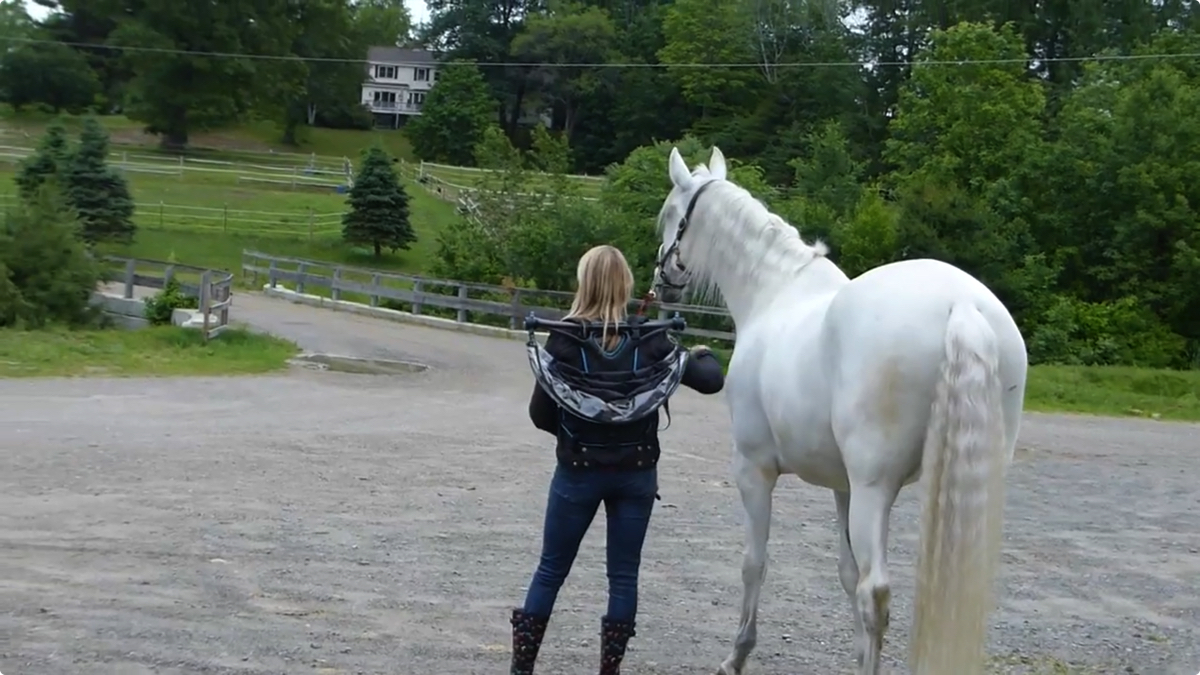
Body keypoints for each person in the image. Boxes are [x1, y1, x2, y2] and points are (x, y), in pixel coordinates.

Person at [509, 245, 725, 675]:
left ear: (584, 283)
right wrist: (699, 352)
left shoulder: (564, 339)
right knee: (623, 577)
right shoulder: (651, 339)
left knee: (550, 571)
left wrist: (582, 433)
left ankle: (521, 670)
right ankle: (610, 670)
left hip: (578, 472)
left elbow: (540, 415)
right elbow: (712, 380)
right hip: (636, 474)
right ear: (626, 284)